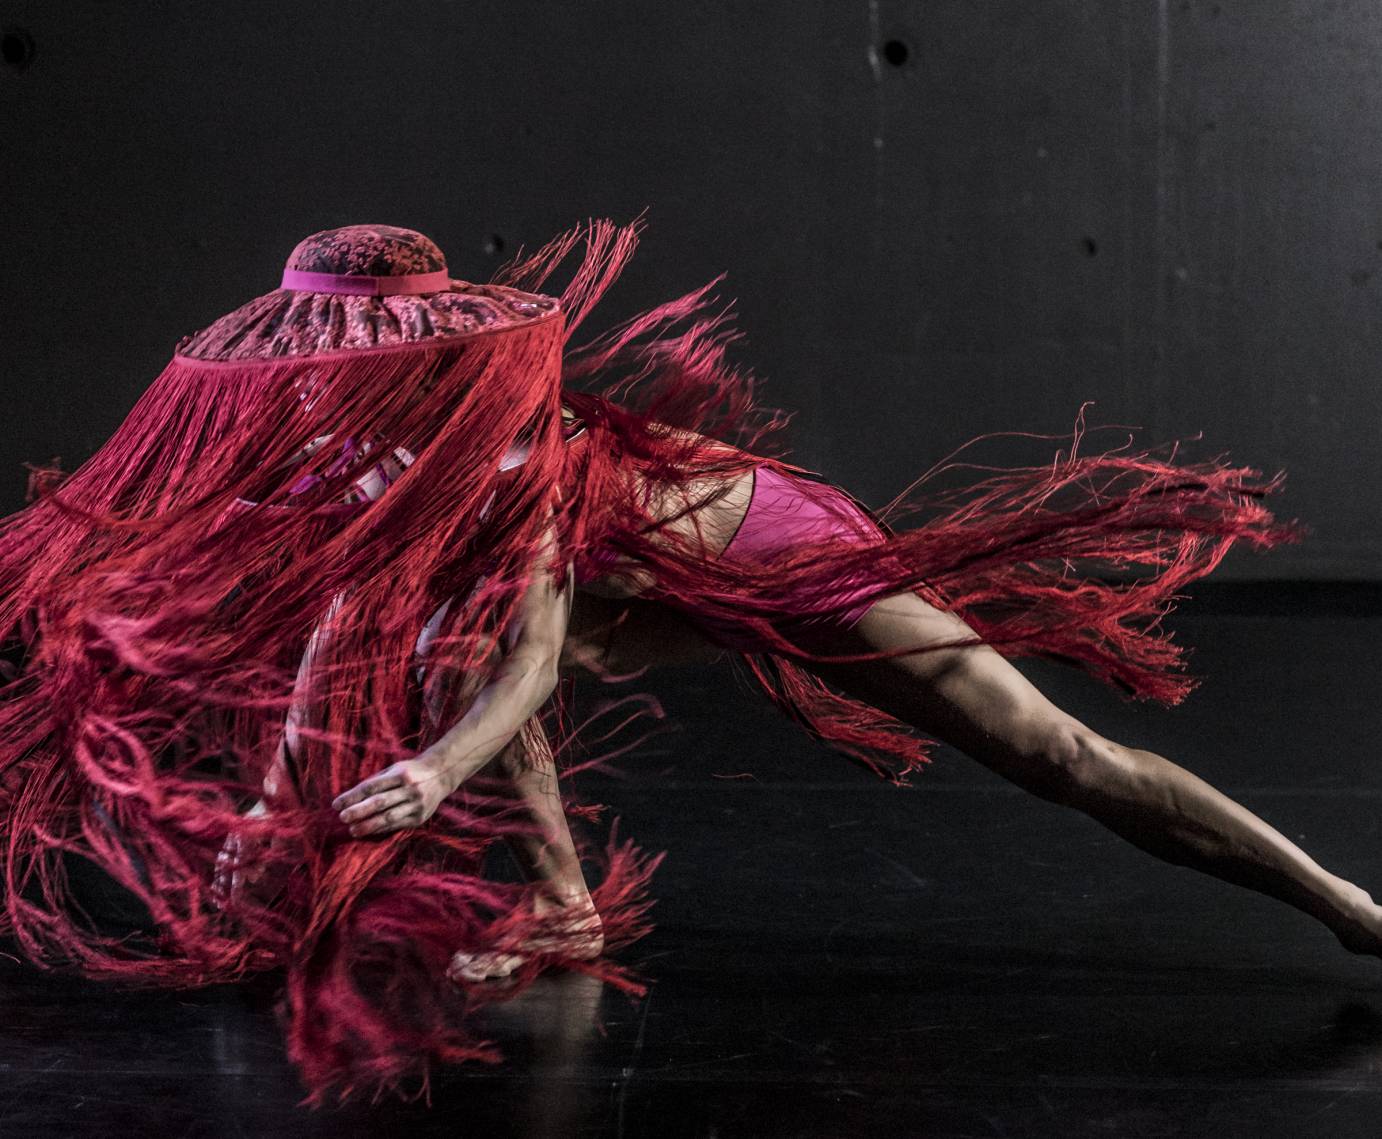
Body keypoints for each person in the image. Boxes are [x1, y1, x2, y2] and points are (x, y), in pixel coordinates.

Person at [0, 217, 1347, 1104]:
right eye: (323, 356)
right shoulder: (352, 454)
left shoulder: (502, 454)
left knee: (1059, 755)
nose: (327, 376)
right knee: (428, 631)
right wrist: (268, 798)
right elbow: (338, 633)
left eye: (358, 353)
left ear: (418, 353)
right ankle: (568, 909)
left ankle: (1350, 907)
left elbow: (525, 658)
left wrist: (426, 775)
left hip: (775, 548)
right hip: (621, 579)